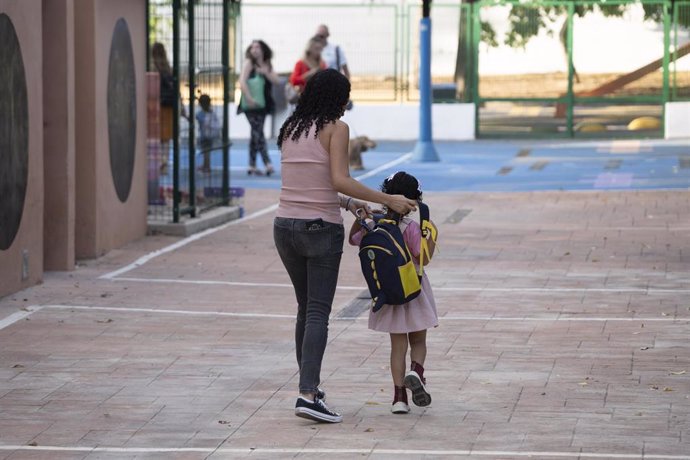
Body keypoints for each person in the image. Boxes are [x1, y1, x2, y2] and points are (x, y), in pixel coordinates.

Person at [274, 69, 417, 424]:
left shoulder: (292, 129)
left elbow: (309, 185)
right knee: (319, 311)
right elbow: (340, 178)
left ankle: (309, 386)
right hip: (320, 231)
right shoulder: (336, 129)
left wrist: (348, 204)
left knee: (305, 309)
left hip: (284, 227)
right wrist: (390, 199)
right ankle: (308, 395)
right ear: (338, 98)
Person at [348, 171, 439, 415]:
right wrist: (430, 232)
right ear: (413, 203)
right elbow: (424, 258)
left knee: (397, 346)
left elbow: (353, 240)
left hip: (389, 293)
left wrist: (362, 217)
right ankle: (416, 372)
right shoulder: (410, 228)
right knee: (418, 340)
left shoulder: (373, 225)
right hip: (414, 290)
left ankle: (399, 398)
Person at [238, 40, 279, 176]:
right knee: (258, 132)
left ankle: (252, 164)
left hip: (263, 104)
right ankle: (267, 163)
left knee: (256, 133)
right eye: (252, 47)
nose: (254, 50)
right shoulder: (249, 63)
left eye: (257, 47)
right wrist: (249, 98)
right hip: (250, 104)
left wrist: (264, 72)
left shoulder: (267, 64)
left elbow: (276, 81)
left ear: (263, 50)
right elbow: (242, 81)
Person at [151, 42, 176, 175]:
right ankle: (165, 162)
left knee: (156, 136)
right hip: (169, 106)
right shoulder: (168, 68)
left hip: (157, 105)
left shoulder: (153, 68)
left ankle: (158, 161)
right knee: (166, 137)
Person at [195, 94, 220, 173]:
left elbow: (196, 118)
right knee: (207, 151)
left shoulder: (201, 114)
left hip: (204, 135)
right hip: (211, 135)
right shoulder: (212, 112)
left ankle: (207, 167)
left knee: (205, 152)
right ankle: (205, 165)